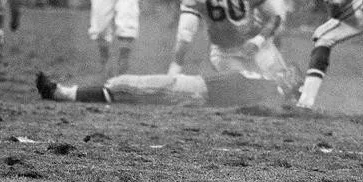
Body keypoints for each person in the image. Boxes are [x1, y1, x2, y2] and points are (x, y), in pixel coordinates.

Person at [167, 0, 302, 96]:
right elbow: (185, 34)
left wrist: (257, 42)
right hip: (225, 53)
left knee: (287, 86)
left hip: (259, 48)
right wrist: (174, 70)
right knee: (251, 90)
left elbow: (274, 18)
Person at [35, 69, 284, 108]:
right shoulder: (264, 81)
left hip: (194, 90)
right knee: (127, 85)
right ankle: (64, 93)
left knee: (125, 86)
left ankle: (61, 94)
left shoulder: (268, 89)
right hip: (193, 85)